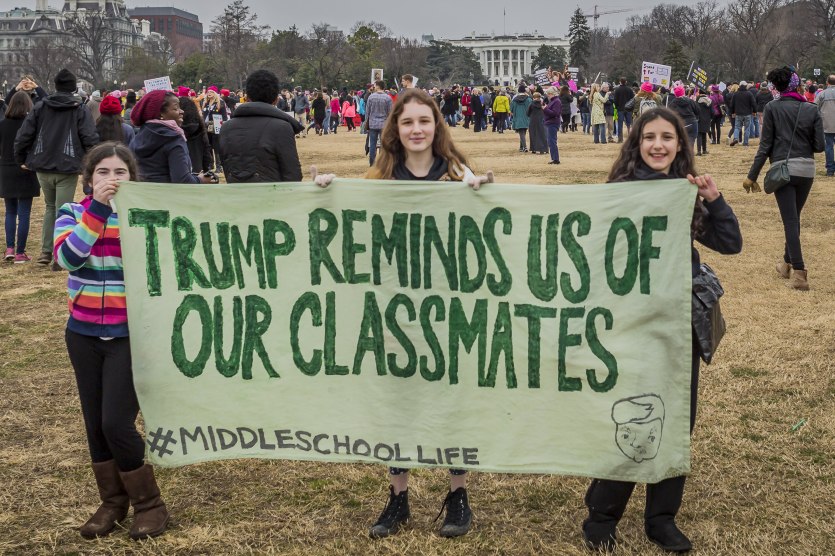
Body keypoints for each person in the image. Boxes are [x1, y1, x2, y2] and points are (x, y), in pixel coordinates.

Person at [309, 88, 493, 539]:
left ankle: (458, 494)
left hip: (449, 309)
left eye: (424, 122)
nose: (416, 130)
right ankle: (398, 496)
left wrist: (483, 195)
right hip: (393, 310)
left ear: (437, 126)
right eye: (407, 122)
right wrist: (327, 194)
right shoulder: (379, 178)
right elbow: (351, 227)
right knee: (397, 402)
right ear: (396, 128)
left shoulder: (457, 174)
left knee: (452, 401)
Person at [582, 107, 742, 553]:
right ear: (637, 143)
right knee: (630, 415)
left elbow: (730, 243)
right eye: (649, 137)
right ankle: (602, 512)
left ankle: (661, 518)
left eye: (667, 138)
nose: (657, 145)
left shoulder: (685, 192)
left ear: (679, 145)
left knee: (674, 422)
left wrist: (713, 198)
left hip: (678, 323)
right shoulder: (620, 192)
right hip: (631, 322)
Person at [54, 142, 170, 541]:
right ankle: (112, 501)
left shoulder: (143, 216)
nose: (111, 180)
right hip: (83, 334)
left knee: (116, 422)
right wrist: (97, 212)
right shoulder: (71, 213)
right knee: (94, 425)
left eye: (121, 172)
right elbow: (69, 258)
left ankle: (150, 504)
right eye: (103, 172)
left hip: (130, 336)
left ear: (133, 178)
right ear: (89, 179)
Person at [744, 66, 824, 290]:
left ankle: (799, 272)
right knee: (794, 218)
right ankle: (786, 264)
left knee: (790, 221)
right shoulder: (811, 108)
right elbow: (818, 146)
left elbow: (765, 145)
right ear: (796, 84)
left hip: (782, 168)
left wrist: (752, 176)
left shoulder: (772, 108)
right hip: (806, 170)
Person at [14, 68, 99, 267]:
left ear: (56, 85)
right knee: (63, 210)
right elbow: (89, 137)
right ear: (73, 87)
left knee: (50, 208)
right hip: (67, 166)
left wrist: (21, 158)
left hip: (43, 164)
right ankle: (58, 253)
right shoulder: (79, 108)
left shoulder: (41, 106)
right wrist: (93, 163)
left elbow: (25, 134)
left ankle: (46, 251)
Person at [219, 69, 303, 182]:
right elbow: (292, 174)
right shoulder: (281, 127)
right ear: (275, 100)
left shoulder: (226, 128)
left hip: (236, 195)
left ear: (247, 97)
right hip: (272, 196)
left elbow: (227, 168)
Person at [129, 90, 213, 184]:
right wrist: (200, 179)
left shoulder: (138, 137)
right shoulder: (173, 139)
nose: (182, 111)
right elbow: (182, 181)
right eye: (176, 108)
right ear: (161, 113)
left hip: (142, 195)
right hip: (167, 196)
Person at [1, 91, 39, 263]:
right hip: (25, 168)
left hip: (6, 169)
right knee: (24, 213)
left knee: (10, 211)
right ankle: (20, 252)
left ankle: (9, 248)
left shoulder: (2, 125)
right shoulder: (30, 125)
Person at [179, 95, 213, 174]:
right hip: (198, 171)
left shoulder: (175, 130)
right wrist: (207, 170)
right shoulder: (200, 126)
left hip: (181, 172)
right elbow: (206, 152)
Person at [364, 80, 393, 165]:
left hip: (373, 123)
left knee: (372, 144)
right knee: (383, 145)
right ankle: (382, 162)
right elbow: (390, 112)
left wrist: (366, 122)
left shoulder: (371, 97)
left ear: (377, 86)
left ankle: (372, 162)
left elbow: (367, 112)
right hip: (384, 124)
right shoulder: (388, 98)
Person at [201, 86, 228, 171]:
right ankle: (210, 164)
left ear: (215, 93)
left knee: (216, 147)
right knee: (208, 146)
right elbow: (203, 115)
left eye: (211, 92)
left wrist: (223, 125)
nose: (209, 93)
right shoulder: (205, 103)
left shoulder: (220, 103)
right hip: (206, 126)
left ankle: (219, 166)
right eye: (208, 92)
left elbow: (224, 117)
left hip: (216, 126)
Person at [814, 74, 835, 176]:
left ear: (827, 82)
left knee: (829, 147)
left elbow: (815, 107)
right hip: (828, 124)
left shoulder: (822, 94)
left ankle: (830, 170)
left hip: (827, 124)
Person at [667, 85, 699, 150]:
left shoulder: (672, 104)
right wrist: (695, 102)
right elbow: (698, 111)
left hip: (680, 124)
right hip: (691, 123)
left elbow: (669, 115)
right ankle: (689, 157)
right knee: (691, 143)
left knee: (680, 143)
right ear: (683, 92)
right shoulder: (690, 101)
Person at [730, 82, 756, 146]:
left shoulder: (736, 94)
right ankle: (746, 142)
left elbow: (732, 104)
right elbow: (753, 103)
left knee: (737, 127)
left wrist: (732, 112)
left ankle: (735, 138)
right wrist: (754, 111)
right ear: (745, 86)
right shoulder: (749, 94)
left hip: (738, 113)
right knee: (747, 128)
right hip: (747, 113)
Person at [543, 86, 562, 164]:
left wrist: (545, 109)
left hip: (553, 123)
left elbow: (555, 113)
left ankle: (555, 159)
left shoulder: (556, 101)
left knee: (552, 141)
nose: (548, 96)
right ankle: (554, 158)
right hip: (550, 122)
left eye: (549, 94)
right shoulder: (554, 101)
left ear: (552, 94)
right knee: (550, 141)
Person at [510, 85, 532, 152]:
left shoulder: (514, 100)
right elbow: (531, 108)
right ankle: (521, 147)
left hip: (518, 117)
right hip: (526, 117)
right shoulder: (529, 99)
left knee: (521, 133)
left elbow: (511, 109)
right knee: (523, 132)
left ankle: (524, 147)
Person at [614, 77, 635, 142]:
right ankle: (630, 138)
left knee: (620, 124)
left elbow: (615, 100)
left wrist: (617, 107)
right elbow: (633, 99)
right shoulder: (630, 90)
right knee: (629, 124)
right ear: (626, 82)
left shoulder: (617, 90)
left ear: (620, 81)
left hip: (620, 109)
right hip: (629, 109)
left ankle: (620, 139)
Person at [695, 89, 713, 156]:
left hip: (699, 119)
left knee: (699, 135)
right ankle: (704, 150)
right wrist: (711, 118)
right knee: (704, 134)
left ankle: (699, 151)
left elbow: (695, 110)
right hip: (707, 119)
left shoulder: (697, 101)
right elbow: (712, 111)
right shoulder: (710, 101)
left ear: (699, 93)